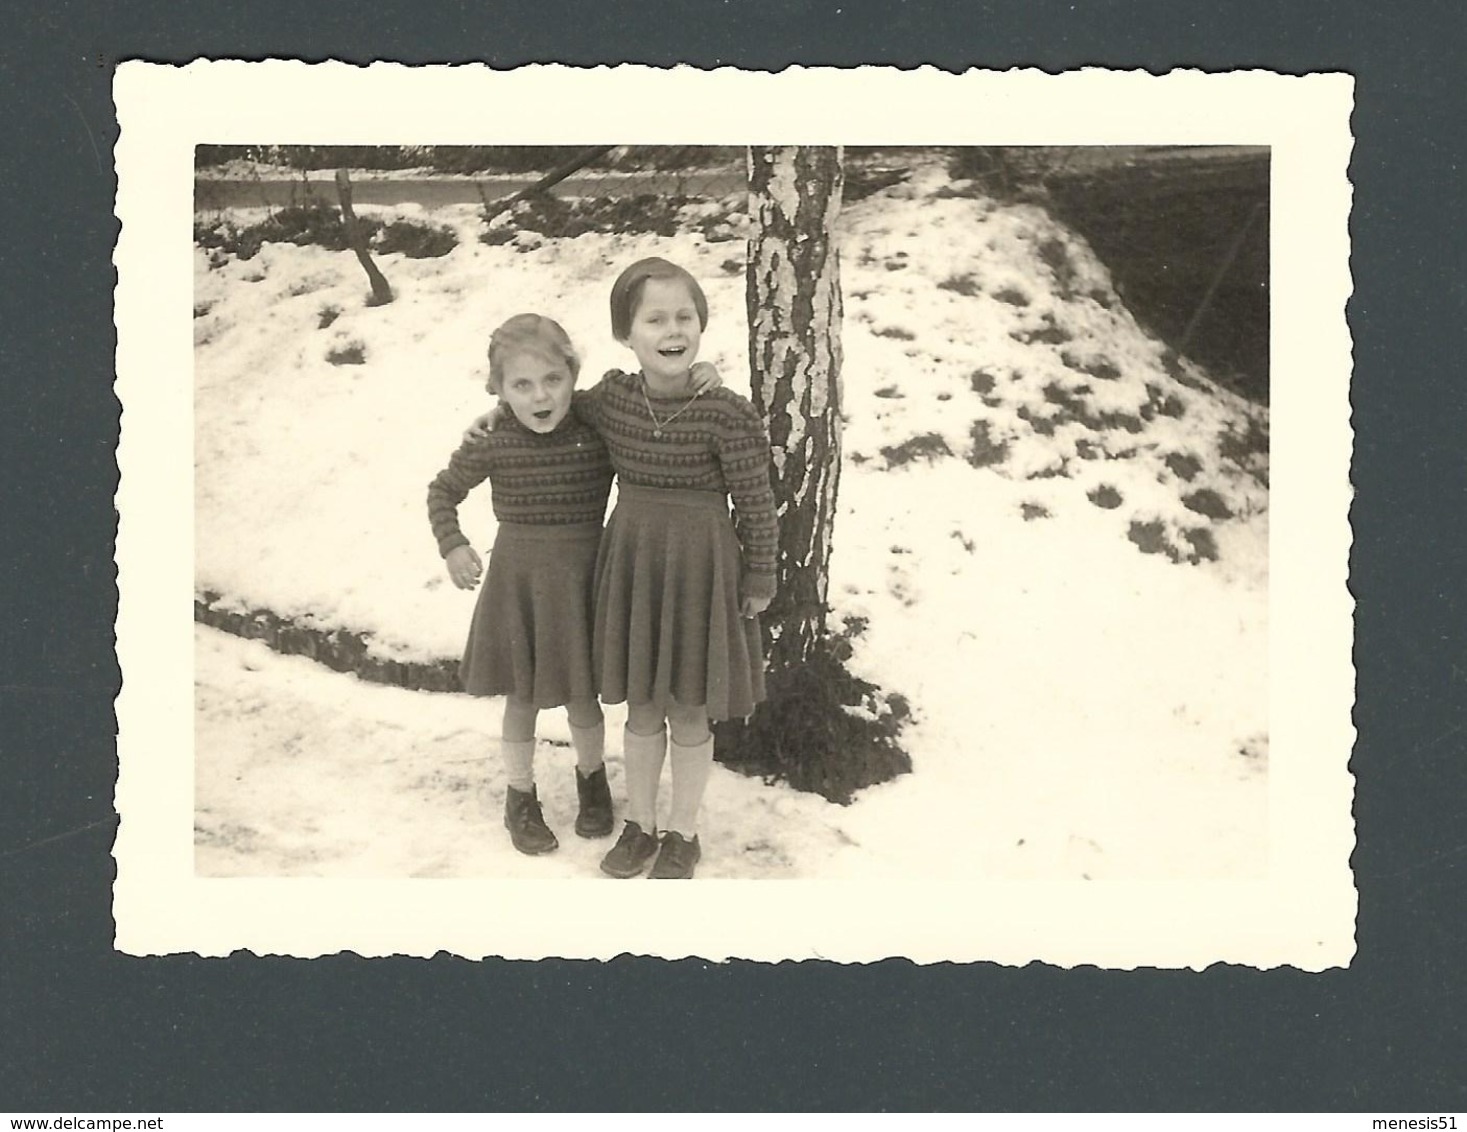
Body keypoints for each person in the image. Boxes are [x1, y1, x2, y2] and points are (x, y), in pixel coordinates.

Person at [585, 257, 778, 879]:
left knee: (689, 708)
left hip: (701, 569)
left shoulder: (726, 412)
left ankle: (683, 833)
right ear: (626, 334)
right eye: (655, 318)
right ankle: (639, 824)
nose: (673, 330)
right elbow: (557, 408)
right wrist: (497, 413)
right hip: (637, 565)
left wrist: (760, 574)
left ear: (701, 325)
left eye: (684, 317)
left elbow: (754, 498)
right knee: (642, 706)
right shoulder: (612, 398)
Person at [426, 313, 617, 857]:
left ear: (573, 374)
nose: (540, 396)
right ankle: (519, 795)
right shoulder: (495, 440)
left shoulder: (595, 422)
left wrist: (702, 373)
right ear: (499, 389)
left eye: (552, 380)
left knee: (584, 696)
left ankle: (593, 781)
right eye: (521, 385)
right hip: (520, 583)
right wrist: (454, 545)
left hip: (584, 577)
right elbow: (442, 491)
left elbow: (650, 396)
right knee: (523, 696)